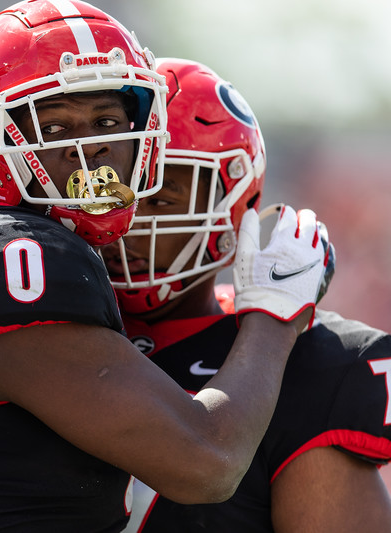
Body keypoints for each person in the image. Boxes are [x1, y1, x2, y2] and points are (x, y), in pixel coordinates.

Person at [0, 1, 335, 530]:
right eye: (55, 128)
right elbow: (207, 463)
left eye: (107, 121)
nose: (93, 148)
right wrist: (272, 316)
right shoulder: (24, 257)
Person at [100, 58, 391, 532]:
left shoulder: (310, 362)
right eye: (108, 189)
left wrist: (272, 331)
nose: (127, 221)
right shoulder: (42, 324)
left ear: (229, 207)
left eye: (161, 198)